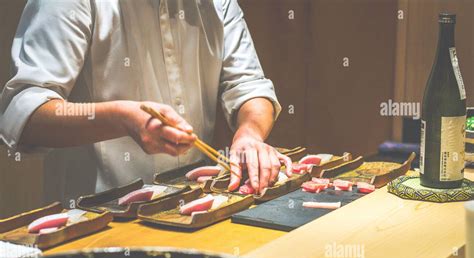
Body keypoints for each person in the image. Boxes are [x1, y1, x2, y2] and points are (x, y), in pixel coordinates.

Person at [0, 0, 290, 204]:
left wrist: (249, 134)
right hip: (96, 216)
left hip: (192, 205)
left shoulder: (215, 3)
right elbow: (25, 113)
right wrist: (122, 118)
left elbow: (248, 85)